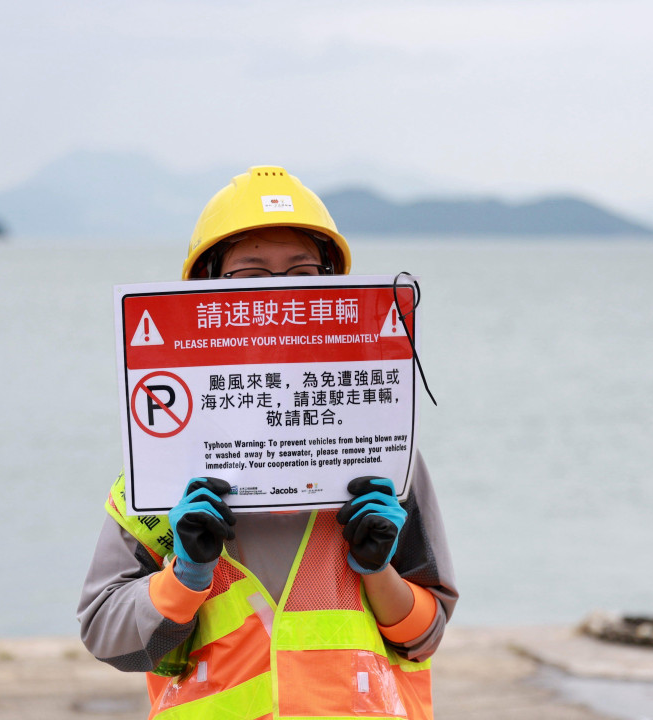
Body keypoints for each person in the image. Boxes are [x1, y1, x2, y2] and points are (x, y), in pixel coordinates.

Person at [77, 166, 456, 719]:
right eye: (249, 273)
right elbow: (108, 635)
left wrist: (379, 572)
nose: (277, 293)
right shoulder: (162, 458)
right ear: (205, 289)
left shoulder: (383, 450)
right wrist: (186, 577)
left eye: (301, 272)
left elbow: (425, 635)